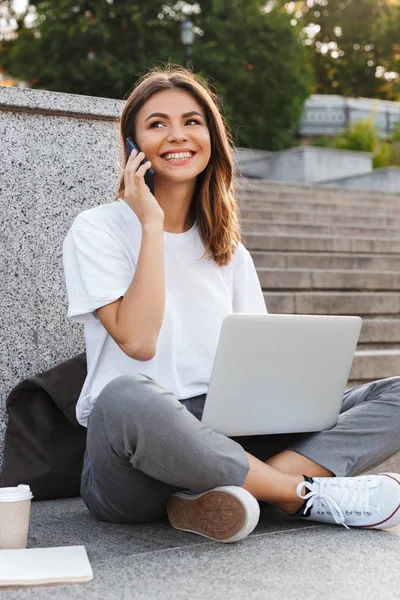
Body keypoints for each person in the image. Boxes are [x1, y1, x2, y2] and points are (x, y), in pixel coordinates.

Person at [62, 64, 400, 543]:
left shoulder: (227, 248)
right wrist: (152, 226)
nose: (177, 135)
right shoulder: (97, 229)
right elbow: (138, 341)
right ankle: (294, 492)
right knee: (124, 396)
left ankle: (229, 492)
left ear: (211, 138)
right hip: (133, 458)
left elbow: (258, 366)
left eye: (192, 121)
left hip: (225, 430)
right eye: (157, 124)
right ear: (133, 148)